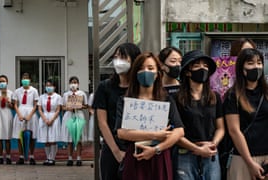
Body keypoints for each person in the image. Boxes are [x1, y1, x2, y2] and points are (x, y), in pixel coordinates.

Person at [115, 52, 184, 180]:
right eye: (140, 68)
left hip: (160, 157)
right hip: (136, 155)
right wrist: (154, 135)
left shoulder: (166, 100)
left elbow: (179, 131)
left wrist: (157, 149)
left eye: (150, 68)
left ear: (158, 73)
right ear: (135, 73)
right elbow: (121, 132)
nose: (145, 72)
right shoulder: (125, 100)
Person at [93, 42, 141, 180]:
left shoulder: (141, 88)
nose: (118, 61)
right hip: (112, 147)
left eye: (123, 57)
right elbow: (102, 122)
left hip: (137, 148)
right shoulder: (105, 87)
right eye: (116, 57)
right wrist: (116, 152)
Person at [174, 50, 225, 180]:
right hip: (185, 154)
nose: (202, 69)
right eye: (197, 66)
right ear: (187, 72)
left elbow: (220, 127)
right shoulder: (176, 98)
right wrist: (196, 148)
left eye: (205, 66)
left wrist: (213, 144)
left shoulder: (215, 97)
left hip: (211, 153)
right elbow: (174, 132)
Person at [223, 48, 268, 180]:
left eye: (259, 63)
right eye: (250, 63)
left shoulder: (266, 93)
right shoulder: (233, 96)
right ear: (242, 68)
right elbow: (234, 131)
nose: (256, 67)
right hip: (242, 159)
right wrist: (250, 162)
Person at [12, 72, 39, 165]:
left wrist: (30, 115)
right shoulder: (17, 91)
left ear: (30, 80)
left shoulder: (34, 90)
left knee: (32, 135)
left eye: (27, 78)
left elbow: (36, 105)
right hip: (20, 111)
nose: (25, 80)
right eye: (23, 78)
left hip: (31, 113)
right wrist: (19, 114)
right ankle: (21, 156)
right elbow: (15, 104)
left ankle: (31, 156)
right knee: (20, 136)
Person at [61, 76, 88, 166]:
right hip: (69, 115)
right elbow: (63, 106)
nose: (74, 84)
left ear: (78, 84)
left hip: (79, 115)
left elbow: (86, 105)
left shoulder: (82, 93)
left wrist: (80, 106)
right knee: (70, 139)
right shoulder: (66, 94)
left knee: (78, 138)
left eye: (75, 82)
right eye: (72, 82)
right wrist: (67, 108)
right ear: (69, 83)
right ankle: (70, 158)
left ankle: (79, 158)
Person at [37, 79, 62, 166]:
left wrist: (51, 119)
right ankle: (47, 157)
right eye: (47, 86)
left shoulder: (58, 97)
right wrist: (44, 119)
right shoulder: (41, 97)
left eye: (50, 86)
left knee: (52, 139)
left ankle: (52, 158)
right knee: (46, 139)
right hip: (44, 117)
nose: (49, 87)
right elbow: (39, 109)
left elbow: (58, 110)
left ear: (54, 87)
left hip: (53, 118)